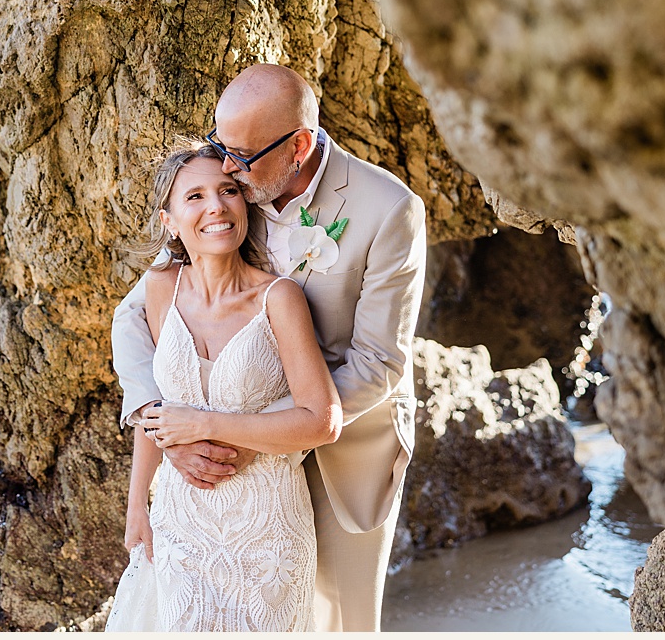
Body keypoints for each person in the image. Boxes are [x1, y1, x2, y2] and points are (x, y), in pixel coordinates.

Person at [112, 64, 428, 631]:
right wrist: (162, 422)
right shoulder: (234, 193)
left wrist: (256, 437)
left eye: (240, 157)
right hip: (226, 448)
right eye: (220, 147)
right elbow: (134, 315)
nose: (226, 168)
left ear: (298, 147)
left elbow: (378, 362)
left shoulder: (389, 211)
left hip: (344, 443)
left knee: (339, 621)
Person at [109, 141, 339, 630]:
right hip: (180, 514)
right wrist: (136, 505)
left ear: (244, 203)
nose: (216, 206)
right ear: (169, 220)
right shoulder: (159, 287)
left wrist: (204, 423)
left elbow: (320, 420)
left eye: (229, 190)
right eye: (194, 196)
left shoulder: (279, 297)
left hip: (268, 526)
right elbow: (157, 409)